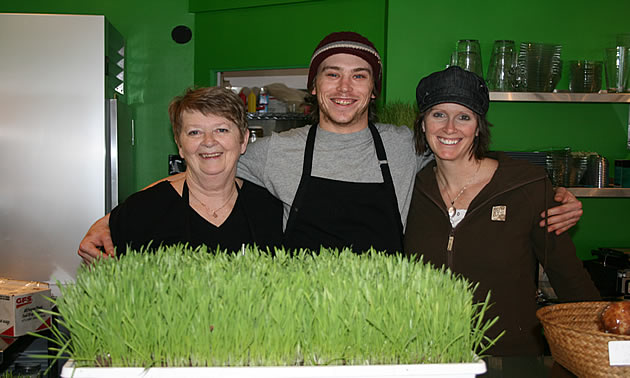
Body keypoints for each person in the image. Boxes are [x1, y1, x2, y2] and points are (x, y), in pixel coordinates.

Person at [78, 31, 583, 262]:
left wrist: (552, 196)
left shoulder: (405, 145)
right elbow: (208, 167)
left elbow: (475, 164)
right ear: (314, 87)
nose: (345, 88)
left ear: (373, 88)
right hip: (301, 317)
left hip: (388, 313)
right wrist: (115, 219)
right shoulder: (277, 151)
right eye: (332, 75)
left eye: (359, 76)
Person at [403, 66, 600, 356]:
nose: (449, 128)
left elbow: (569, 278)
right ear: (423, 124)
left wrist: (607, 342)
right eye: (438, 114)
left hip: (509, 360)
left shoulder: (526, 187)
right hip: (428, 358)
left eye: (464, 117)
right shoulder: (411, 188)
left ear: (478, 127)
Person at [94, 86, 283, 259]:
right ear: (180, 145)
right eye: (195, 132)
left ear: (243, 141)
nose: (209, 141)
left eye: (221, 129)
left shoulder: (269, 210)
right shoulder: (141, 211)